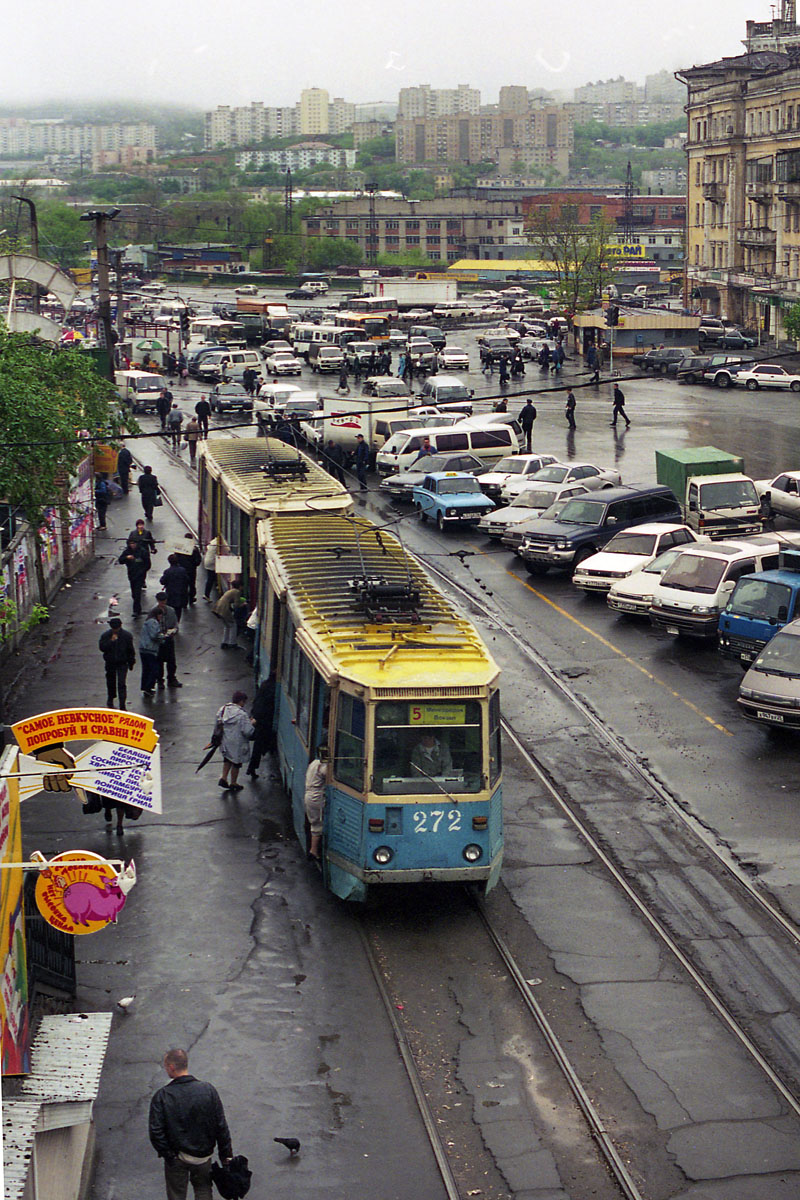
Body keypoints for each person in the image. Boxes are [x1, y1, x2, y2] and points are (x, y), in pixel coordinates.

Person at [149, 1048, 232, 1200]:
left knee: (176, 1194)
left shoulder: (162, 1096)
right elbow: (221, 1126)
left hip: (178, 1157)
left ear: (172, 1067)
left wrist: (169, 1155)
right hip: (203, 1156)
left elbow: (156, 1131)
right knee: (203, 1190)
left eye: (166, 1066)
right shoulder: (208, 1090)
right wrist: (226, 1156)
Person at [214, 692, 254, 791]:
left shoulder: (223, 709)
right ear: (241, 701)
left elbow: (217, 723)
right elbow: (248, 731)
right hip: (238, 743)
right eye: (244, 702)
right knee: (236, 762)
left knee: (227, 759)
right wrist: (252, 723)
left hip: (225, 741)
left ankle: (223, 778)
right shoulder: (242, 714)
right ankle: (233, 782)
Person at [98, 617, 136, 709]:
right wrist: (111, 642)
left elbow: (130, 650)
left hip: (122, 663)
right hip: (110, 662)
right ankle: (111, 698)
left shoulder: (126, 636)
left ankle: (122, 703)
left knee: (121, 683)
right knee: (111, 681)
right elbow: (102, 648)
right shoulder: (106, 636)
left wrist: (131, 662)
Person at [246, 674, 276, 778]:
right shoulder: (272, 689)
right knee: (259, 745)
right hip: (264, 721)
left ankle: (252, 768)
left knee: (258, 746)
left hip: (260, 719)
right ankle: (252, 768)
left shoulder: (264, 685)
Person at [150, 592, 181, 688]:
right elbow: (149, 625)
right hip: (158, 640)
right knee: (159, 661)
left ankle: (171, 678)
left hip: (168, 639)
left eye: (164, 602)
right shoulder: (153, 611)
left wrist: (173, 631)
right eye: (161, 602)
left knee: (171, 660)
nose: (162, 604)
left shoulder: (171, 611)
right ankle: (160, 681)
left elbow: (175, 624)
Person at [304, 747, 328, 862]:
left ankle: (313, 850)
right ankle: (314, 851)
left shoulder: (314, 763)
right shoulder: (322, 766)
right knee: (317, 823)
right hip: (316, 796)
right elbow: (328, 775)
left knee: (314, 822)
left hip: (309, 794)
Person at [119, 537, 149, 617]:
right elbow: (120, 560)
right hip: (131, 574)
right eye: (131, 544)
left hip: (140, 576)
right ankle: (138, 609)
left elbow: (147, 564)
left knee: (137, 593)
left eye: (134, 543)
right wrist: (126, 558)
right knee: (134, 593)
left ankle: (136, 610)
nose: (132, 545)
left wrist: (142, 572)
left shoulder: (142, 552)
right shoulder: (127, 551)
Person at [139, 611, 163, 697]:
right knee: (154, 670)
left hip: (143, 648)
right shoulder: (153, 622)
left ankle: (146, 688)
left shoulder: (147, 622)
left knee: (146, 670)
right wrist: (164, 636)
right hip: (150, 649)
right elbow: (154, 635)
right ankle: (148, 688)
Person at [213, 581, 243, 649]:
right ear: (240, 586)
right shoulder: (237, 592)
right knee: (233, 625)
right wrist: (243, 604)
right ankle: (232, 643)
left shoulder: (230, 591)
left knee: (227, 626)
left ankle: (224, 642)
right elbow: (236, 605)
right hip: (225, 610)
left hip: (218, 608)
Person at [160, 555, 190, 622]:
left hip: (171, 593)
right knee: (178, 609)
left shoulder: (167, 571)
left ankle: (171, 622)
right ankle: (177, 622)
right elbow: (187, 580)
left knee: (170, 609)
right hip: (181, 593)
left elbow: (162, 581)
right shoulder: (183, 570)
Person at [175, 534, 202, 605]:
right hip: (191, 570)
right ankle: (191, 598)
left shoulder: (179, 548)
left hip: (182, 570)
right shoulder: (195, 549)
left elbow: (176, 558)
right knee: (192, 584)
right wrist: (194, 565)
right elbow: (198, 560)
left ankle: (184, 601)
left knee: (183, 585)